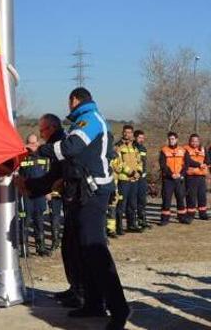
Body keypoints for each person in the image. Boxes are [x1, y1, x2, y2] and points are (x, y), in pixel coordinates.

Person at [30, 88, 130, 329]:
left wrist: (39, 150)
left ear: (75, 100)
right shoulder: (83, 121)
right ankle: (93, 302)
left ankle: (119, 309)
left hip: (94, 193)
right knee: (83, 250)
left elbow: (70, 148)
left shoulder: (89, 120)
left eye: (70, 101)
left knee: (95, 250)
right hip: (82, 193)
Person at [23, 114, 84, 309]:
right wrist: (30, 186)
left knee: (76, 248)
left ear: (51, 128)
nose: (41, 135)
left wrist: (29, 186)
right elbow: (53, 177)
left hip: (79, 199)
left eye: (42, 130)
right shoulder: (57, 142)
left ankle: (82, 293)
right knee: (68, 247)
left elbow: (53, 176)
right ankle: (75, 288)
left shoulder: (61, 143)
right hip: (71, 199)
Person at [20, 134, 50, 256]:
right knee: (25, 221)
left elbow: (48, 176)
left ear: (38, 143)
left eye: (34, 143)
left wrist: (48, 192)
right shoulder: (22, 157)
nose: (32, 145)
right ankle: (24, 249)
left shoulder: (45, 157)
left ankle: (41, 247)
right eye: (30, 143)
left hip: (40, 194)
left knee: (39, 220)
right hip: (26, 195)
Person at [112, 125, 143, 234]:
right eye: (125, 132)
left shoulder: (134, 147)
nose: (127, 134)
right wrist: (131, 172)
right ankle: (119, 227)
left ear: (132, 134)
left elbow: (139, 161)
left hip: (134, 180)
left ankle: (132, 225)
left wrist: (138, 172)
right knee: (121, 204)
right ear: (122, 133)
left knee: (132, 204)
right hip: (123, 179)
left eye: (129, 132)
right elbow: (118, 164)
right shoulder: (118, 146)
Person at [159, 132, 189, 225]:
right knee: (166, 199)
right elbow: (163, 165)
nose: (171, 141)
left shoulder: (183, 150)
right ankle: (164, 219)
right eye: (169, 139)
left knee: (180, 198)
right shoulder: (164, 150)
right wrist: (171, 174)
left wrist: (180, 174)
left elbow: (186, 164)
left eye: (173, 139)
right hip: (168, 179)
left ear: (176, 139)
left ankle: (182, 217)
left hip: (179, 179)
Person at [183, 133, 210, 221]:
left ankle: (203, 213)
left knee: (202, 196)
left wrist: (206, 163)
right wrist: (199, 165)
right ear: (189, 141)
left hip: (201, 176)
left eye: (196, 141)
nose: (195, 143)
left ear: (199, 141)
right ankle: (190, 214)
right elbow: (188, 161)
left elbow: (207, 159)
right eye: (193, 141)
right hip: (191, 176)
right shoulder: (185, 149)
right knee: (191, 196)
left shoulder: (203, 149)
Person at [134, 130, 151, 230]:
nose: (142, 140)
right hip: (133, 177)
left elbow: (144, 162)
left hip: (142, 178)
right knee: (132, 201)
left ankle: (142, 219)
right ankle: (132, 221)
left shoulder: (143, 148)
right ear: (135, 137)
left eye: (143, 138)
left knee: (142, 200)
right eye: (140, 138)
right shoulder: (132, 147)